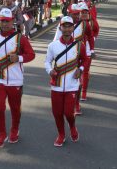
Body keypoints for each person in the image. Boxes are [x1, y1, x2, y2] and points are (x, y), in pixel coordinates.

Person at [0, 8, 35, 148]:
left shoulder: (21, 38)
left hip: (15, 80)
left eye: (7, 21)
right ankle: (1, 133)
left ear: (13, 21)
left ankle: (14, 130)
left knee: (15, 108)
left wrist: (18, 58)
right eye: (2, 21)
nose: (5, 24)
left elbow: (31, 55)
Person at [45, 16, 88, 146]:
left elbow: (85, 60)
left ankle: (72, 126)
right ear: (61, 28)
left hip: (72, 85)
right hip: (56, 84)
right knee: (57, 113)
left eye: (70, 26)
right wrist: (50, 71)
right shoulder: (53, 46)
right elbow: (47, 61)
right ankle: (61, 134)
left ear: (73, 28)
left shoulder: (80, 45)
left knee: (69, 112)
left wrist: (80, 69)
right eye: (65, 26)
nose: (67, 29)